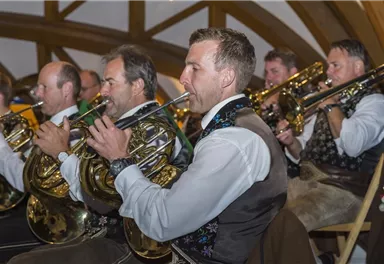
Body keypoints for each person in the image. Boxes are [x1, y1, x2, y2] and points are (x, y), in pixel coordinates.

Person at [86, 28, 288, 264]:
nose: (182, 77)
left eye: (195, 68)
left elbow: (164, 221)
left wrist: (120, 161)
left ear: (226, 78)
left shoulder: (233, 139)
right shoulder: (235, 128)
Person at [8, 44, 192, 264]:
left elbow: (108, 197)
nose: (102, 91)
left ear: (137, 86)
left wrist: (62, 154)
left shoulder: (155, 128)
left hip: (135, 244)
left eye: (110, 83)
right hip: (106, 234)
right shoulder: (128, 123)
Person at [276, 39, 384, 232]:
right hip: (305, 183)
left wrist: (330, 105)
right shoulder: (330, 101)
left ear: (358, 67)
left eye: (335, 65)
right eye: (328, 66)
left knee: (288, 223)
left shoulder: (374, 102)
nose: (328, 72)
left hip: (342, 191)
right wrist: (291, 141)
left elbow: (353, 146)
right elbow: (302, 151)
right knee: (260, 213)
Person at [0, 61, 82, 261]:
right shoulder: (53, 126)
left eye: (44, 87)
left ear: (67, 89)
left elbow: (25, 181)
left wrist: (1, 147)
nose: (37, 93)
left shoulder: (74, 131)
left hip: (56, 224)